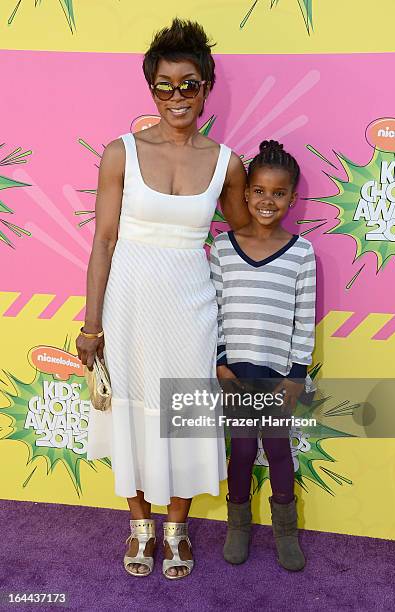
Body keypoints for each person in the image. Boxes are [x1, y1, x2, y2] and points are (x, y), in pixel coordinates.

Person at [75, 18, 250, 580]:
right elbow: (103, 242)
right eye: (164, 85)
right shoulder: (119, 153)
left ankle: (176, 528)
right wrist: (91, 326)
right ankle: (140, 526)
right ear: (151, 89)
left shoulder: (228, 163)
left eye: (189, 84)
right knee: (130, 413)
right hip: (127, 304)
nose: (177, 96)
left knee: (183, 417)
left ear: (206, 87)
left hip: (191, 308)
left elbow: (245, 230)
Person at [210, 139, 316, 571]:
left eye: (278, 193)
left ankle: (285, 532)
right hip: (235, 372)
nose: (266, 200)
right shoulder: (221, 248)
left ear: (291, 198)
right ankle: (238, 526)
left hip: (277, 377)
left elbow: (303, 319)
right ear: (245, 193)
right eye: (258, 191)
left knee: (276, 452)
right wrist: (219, 361)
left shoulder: (302, 253)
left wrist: (295, 375)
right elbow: (213, 310)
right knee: (239, 453)